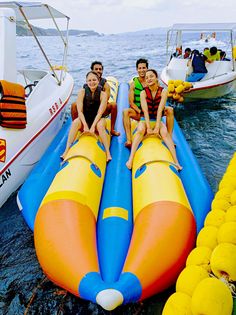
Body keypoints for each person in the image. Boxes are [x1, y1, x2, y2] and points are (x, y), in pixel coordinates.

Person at [126, 69, 182, 171]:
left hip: (157, 119)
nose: (149, 79)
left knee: (164, 133)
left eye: (151, 76)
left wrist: (157, 127)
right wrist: (148, 127)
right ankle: (131, 159)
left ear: (156, 78)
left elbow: (160, 109)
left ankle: (176, 162)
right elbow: (145, 111)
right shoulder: (143, 93)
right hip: (144, 119)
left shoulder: (163, 91)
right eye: (147, 78)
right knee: (140, 131)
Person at [123, 59, 174, 148]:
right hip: (140, 113)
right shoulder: (133, 84)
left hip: (154, 111)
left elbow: (160, 96)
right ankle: (129, 140)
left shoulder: (152, 82)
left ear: (147, 69)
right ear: (137, 69)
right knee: (125, 112)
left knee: (170, 110)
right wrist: (140, 111)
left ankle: (169, 137)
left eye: (144, 68)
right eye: (140, 68)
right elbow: (131, 102)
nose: (142, 70)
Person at [61, 71, 112, 161]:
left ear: (98, 81)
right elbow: (80, 111)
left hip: (98, 119)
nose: (92, 82)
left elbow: (100, 113)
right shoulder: (82, 92)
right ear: (86, 81)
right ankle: (67, 150)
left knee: (100, 126)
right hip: (85, 118)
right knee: (75, 122)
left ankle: (107, 152)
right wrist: (85, 125)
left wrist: (92, 127)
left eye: (94, 80)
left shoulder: (103, 94)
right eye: (89, 80)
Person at [71, 61, 120, 136]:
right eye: (96, 69)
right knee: (74, 105)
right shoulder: (87, 85)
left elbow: (105, 100)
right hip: (88, 109)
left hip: (100, 108)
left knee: (113, 105)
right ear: (92, 71)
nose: (98, 71)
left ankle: (112, 129)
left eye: (100, 69)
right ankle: (79, 128)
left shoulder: (105, 84)